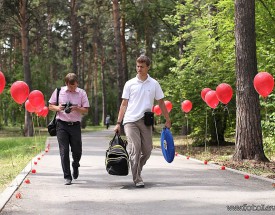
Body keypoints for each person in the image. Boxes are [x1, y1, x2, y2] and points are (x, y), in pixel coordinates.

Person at [114, 55, 171, 188]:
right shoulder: (129, 83)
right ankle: (137, 178)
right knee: (135, 148)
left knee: (147, 150)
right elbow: (124, 104)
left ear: (148, 67)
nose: (139, 69)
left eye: (142, 66)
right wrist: (118, 123)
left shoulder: (154, 83)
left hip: (145, 121)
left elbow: (161, 103)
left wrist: (168, 120)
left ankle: (137, 169)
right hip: (130, 121)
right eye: (137, 66)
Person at [48, 73, 89, 185]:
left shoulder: (81, 93)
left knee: (77, 151)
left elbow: (86, 110)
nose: (73, 88)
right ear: (66, 84)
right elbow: (50, 105)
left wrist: (76, 108)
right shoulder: (58, 91)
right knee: (64, 151)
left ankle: (75, 164)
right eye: (71, 86)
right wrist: (58, 108)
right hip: (61, 125)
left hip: (75, 125)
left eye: (74, 86)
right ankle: (67, 176)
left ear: (77, 83)